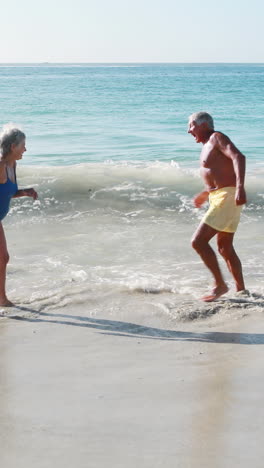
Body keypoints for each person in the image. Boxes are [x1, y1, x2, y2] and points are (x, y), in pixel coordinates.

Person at [188, 112, 247, 302]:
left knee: (198, 241)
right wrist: (206, 193)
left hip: (227, 196)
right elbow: (216, 173)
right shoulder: (207, 145)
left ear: (204, 125)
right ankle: (241, 290)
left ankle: (220, 285)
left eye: (191, 126)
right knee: (225, 247)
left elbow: (239, 157)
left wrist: (240, 188)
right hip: (219, 196)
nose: (189, 130)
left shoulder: (216, 137)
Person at [0, 125, 38, 306]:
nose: (25, 149)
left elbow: (8, 192)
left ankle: (1, 299)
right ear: (13, 146)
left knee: (3, 258)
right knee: (2, 257)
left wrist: (25, 192)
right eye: (23, 145)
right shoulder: (0, 166)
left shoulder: (12, 164)